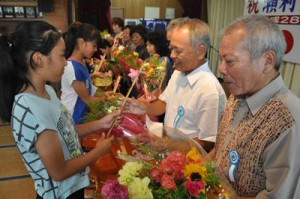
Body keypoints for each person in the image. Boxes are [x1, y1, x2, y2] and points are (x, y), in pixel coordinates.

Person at [0, 21, 119, 199]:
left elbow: (66, 130)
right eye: (62, 56)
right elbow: (59, 171)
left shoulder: (47, 91)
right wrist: (98, 152)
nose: (65, 63)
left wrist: (101, 123)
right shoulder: (31, 108)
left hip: (72, 187)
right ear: (38, 59)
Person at [213, 15, 300, 198]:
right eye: (221, 59)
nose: (221, 69)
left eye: (230, 61)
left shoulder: (287, 121)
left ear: (267, 61)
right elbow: (223, 150)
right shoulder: (238, 93)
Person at [126, 18, 227, 152]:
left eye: (178, 51)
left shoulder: (209, 90)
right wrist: (142, 107)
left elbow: (206, 143)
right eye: (171, 49)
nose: (172, 55)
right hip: (168, 150)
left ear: (201, 50)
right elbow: (164, 104)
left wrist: (165, 144)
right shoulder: (179, 72)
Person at [61, 22, 108, 124]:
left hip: (81, 114)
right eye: (94, 45)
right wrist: (106, 99)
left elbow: (88, 86)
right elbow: (87, 99)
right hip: (73, 117)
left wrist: (104, 94)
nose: (95, 50)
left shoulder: (81, 62)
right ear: (81, 42)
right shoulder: (72, 67)